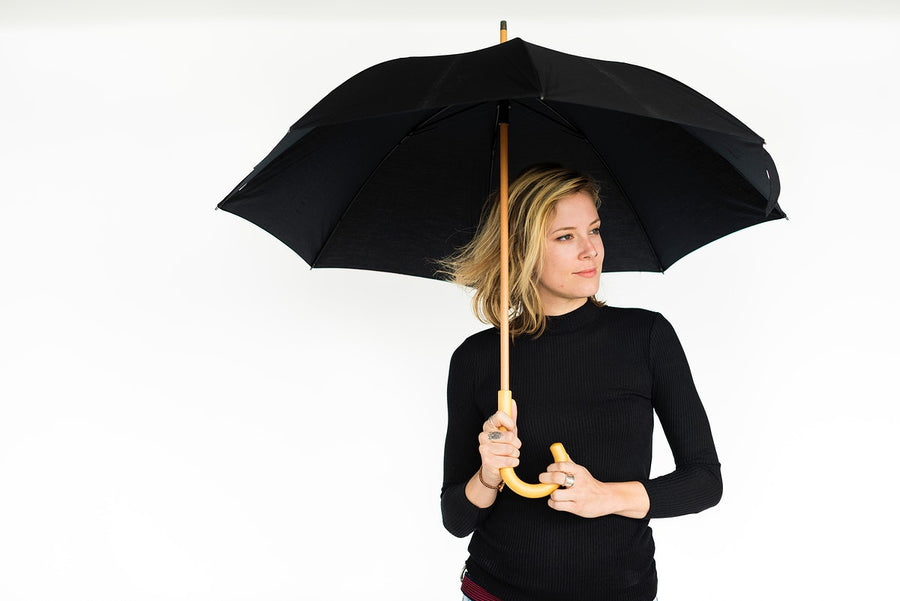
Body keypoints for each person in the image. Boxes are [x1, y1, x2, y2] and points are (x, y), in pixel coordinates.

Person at [439, 165, 722, 601]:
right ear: (521, 251)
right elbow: (456, 518)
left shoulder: (646, 337)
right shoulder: (479, 359)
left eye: (594, 230)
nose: (591, 251)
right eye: (566, 236)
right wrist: (489, 474)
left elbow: (704, 481)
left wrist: (606, 497)